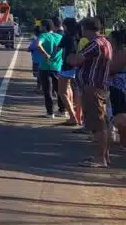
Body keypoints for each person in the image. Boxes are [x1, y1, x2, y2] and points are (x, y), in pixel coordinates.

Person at [68, 17, 112, 168]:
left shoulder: (94, 44)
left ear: (86, 29)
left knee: (97, 123)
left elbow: (76, 60)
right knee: (102, 122)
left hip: (92, 88)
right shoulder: (106, 42)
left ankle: (100, 158)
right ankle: (104, 155)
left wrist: (70, 56)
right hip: (101, 87)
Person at [54, 17, 81, 126]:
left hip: (67, 66)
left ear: (65, 26)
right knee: (71, 89)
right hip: (76, 65)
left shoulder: (67, 36)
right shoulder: (78, 36)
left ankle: (72, 116)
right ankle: (77, 116)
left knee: (62, 92)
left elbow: (57, 48)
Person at [35, 19, 66, 119]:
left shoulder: (43, 36)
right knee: (59, 90)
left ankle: (50, 112)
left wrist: (45, 54)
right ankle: (62, 110)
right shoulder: (59, 36)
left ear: (44, 27)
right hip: (57, 67)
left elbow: (38, 45)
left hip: (44, 67)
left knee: (47, 90)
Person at [28, 26, 43, 93]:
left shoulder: (36, 40)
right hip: (44, 60)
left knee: (38, 75)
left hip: (37, 60)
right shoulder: (46, 38)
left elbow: (29, 48)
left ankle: (39, 87)